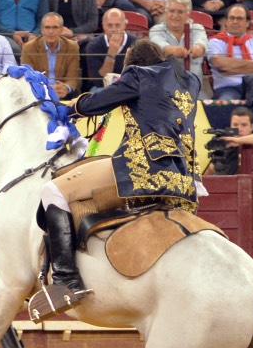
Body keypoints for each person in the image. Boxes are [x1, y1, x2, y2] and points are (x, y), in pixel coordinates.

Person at [32, 39, 202, 316]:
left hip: (143, 169)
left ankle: (66, 279)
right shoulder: (191, 82)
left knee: (53, 192)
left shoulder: (138, 76)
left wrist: (68, 107)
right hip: (183, 182)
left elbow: (95, 104)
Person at [207, 3, 253, 100]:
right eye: (232, 18)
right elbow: (218, 62)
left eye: (239, 18)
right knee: (225, 103)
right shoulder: (215, 42)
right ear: (226, 21)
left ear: (248, 22)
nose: (235, 22)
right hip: (227, 88)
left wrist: (230, 69)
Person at [149, 0, 209, 96]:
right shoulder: (156, 30)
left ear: (188, 14)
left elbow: (201, 42)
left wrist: (198, 48)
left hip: (194, 91)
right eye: (172, 11)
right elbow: (159, 45)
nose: (175, 16)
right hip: (165, 91)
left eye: (180, 12)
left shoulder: (197, 29)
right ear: (166, 12)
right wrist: (173, 50)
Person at [20, 12, 81, 99]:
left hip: (63, 94)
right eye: (47, 27)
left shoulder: (72, 47)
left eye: (55, 27)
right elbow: (28, 78)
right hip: (39, 94)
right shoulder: (29, 48)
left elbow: (73, 77)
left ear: (61, 30)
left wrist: (66, 88)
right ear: (42, 30)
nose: (51, 31)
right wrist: (47, 89)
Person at [83, 7, 134, 89]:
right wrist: (111, 53)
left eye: (117, 25)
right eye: (110, 25)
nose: (114, 30)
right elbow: (99, 83)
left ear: (124, 25)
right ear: (103, 26)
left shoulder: (136, 44)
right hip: (104, 88)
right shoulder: (93, 46)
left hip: (129, 87)